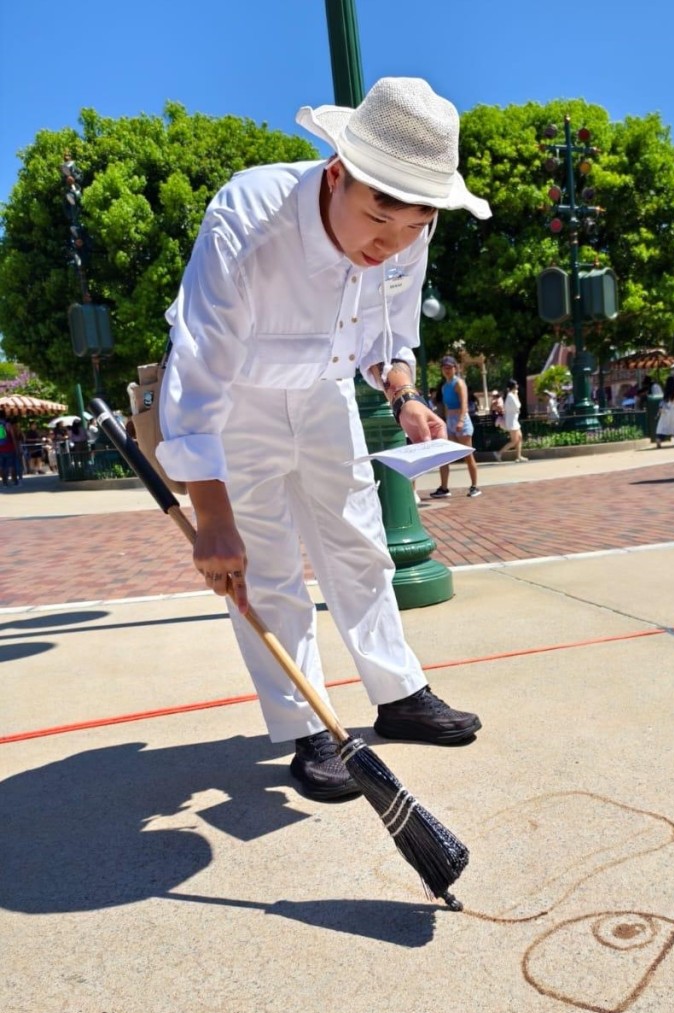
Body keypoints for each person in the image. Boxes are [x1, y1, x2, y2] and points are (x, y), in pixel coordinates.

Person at [156, 77, 489, 802]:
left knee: (358, 543)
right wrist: (211, 516)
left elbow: (390, 328)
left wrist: (402, 393)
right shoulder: (246, 220)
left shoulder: (406, 236)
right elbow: (197, 375)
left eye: (414, 227)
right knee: (267, 565)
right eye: (378, 218)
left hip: (325, 390)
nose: (391, 246)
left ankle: (398, 694)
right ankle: (309, 725)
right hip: (238, 393)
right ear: (337, 174)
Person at [431, 354, 482, 497]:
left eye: (450, 367)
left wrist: (460, 421)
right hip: (450, 421)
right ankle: (444, 487)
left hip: (462, 420)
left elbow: (464, 403)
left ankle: (474, 486)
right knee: (444, 455)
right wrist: (447, 423)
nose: (447, 370)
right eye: (444, 367)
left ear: (455, 368)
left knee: (467, 454)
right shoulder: (444, 386)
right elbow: (446, 407)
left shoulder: (459, 383)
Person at [498, 378, 527, 462]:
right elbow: (518, 406)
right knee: (514, 441)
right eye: (516, 384)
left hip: (514, 420)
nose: (517, 386)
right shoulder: (511, 396)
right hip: (511, 422)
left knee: (520, 438)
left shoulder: (511, 395)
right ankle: (499, 453)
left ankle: (518, 456)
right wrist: (516, 396)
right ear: (513, 386)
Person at [654, 374, 674, 448]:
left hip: (665, 411)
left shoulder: (666, 391)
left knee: (663, 426)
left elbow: (663, 401)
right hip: (673, 411)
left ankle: (659, 439)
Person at [0, 409, 21, 487]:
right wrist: (16, 448)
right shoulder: (7, 425)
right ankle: (15, 481)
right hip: (9, 448)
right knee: (12, 465)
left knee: (2, 466)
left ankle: (4, 482)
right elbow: (13, 437)